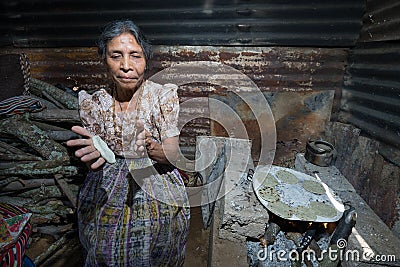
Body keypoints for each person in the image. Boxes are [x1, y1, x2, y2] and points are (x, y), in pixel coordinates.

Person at [66, 19, 190, 266]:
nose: (126, 66)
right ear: (104, 60)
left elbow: (173, 154)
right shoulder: (96, 103)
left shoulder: (161, 96)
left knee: (159, 244)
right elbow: (96, 159)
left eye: (135, 55)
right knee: (103, 247)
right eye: (116, 56)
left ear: (146, 59)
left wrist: (151, 149)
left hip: (155, 178)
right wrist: (97, 156)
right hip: (108, 183)